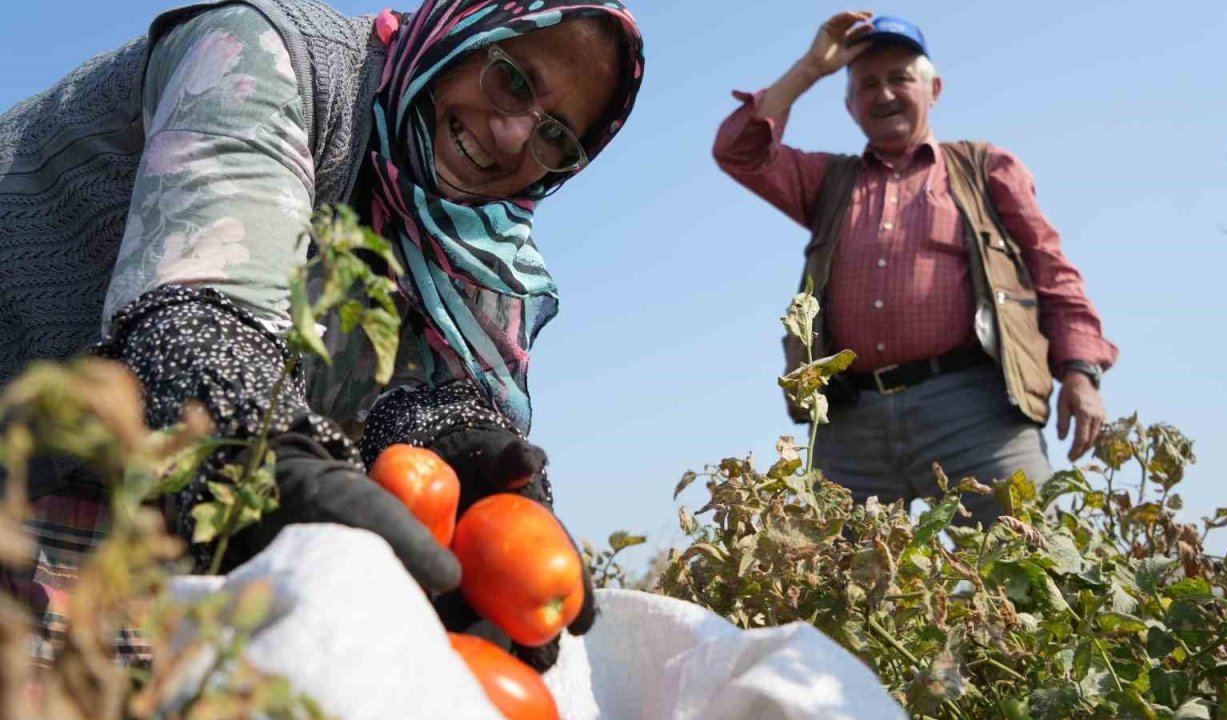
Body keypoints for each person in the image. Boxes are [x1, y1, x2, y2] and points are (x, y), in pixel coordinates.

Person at [0, 0, 644, 671]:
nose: (514, 137)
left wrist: (448, 447)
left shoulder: (461, 246)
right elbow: (197, 309)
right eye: (513, 79)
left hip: (131, 496)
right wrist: (260, 442)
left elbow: (410, 392)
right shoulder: (266, 53)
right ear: (463, 30)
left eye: (557, 137)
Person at [713, 12, 1115, 526]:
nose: (883, 95)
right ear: (850, 104)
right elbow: (738, 151)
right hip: (850, 419)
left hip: (976, 411)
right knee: (836, 587)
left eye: (900, 78)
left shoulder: (984, 168)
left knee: (1033, 565)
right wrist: (811, 68)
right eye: (867, 84)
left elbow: (1052, 271)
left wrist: (1080, 372)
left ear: (934, 88)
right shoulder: (828, 182)